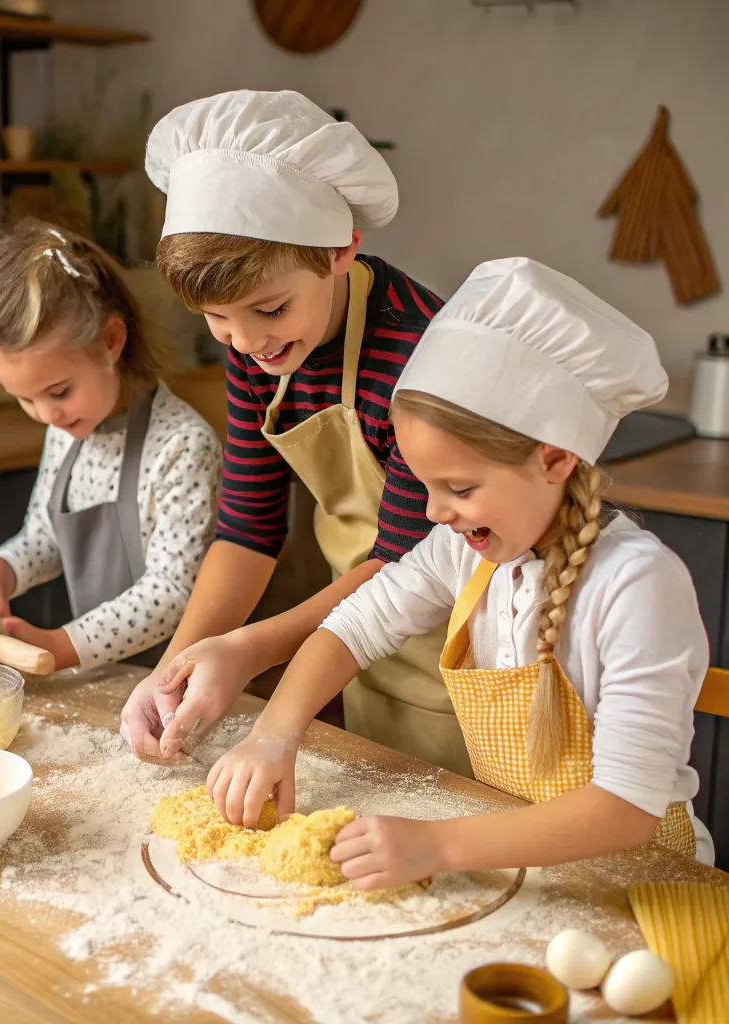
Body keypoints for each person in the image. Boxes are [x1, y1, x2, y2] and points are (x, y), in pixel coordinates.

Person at [203, 256, 714, 880]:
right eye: (423, 485)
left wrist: (439, 847)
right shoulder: (463, 550)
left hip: (643, 887)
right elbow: (354, 624)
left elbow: (626, 809)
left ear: (553, 460)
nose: (434, 511)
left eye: (460, 487)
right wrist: (274, 734)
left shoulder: (635, 586)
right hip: (522, 867)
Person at [120, 89, 471, 773]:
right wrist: (173, 672)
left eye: (269, 309)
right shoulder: (258, 344)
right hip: (351, 649)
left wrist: (248, 650)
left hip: (461, 659)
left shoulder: (418, 354)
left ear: (340, 251)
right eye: (217, 321)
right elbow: (248, 529)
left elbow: (401, 561)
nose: (247, 343)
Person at [0, 219, 222, 670]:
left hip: (184, 679)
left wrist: (64, 645)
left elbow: (174, 591)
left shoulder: (182, 446)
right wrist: (3, 567)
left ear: (111, 342)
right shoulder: (66, 428)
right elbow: (45, 537)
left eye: (58, 392)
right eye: (24, 398)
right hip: (108, 677)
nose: (46, 416)